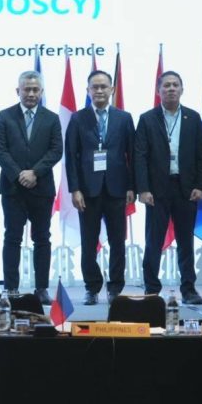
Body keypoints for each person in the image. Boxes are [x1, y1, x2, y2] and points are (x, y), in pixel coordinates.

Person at [134, 71, 202, 304]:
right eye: (166, 85)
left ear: (182, 90)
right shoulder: (147, 119)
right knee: (153, 241)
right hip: (156, 191)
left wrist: (201, 186)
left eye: (176, 85)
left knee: (186, 241)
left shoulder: (193, 117)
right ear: (159, 91)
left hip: (186, 189)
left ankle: (189, 289)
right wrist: (143, 189)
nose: (171, 89)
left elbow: (201, 155)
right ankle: (151, 289)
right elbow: (139, 157)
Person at [65, 70, 136, 305]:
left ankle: (115, 287)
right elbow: (71, 156)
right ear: (88, 91)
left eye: (103, 86)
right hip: (88, 191)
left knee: (118, 241)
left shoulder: (124, 118)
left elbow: (133, 155)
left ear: (111, 89)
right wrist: (75, 189)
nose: (99, 91)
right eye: (94, 87)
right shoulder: (78, 118)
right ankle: (91, 287)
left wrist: (132, 187)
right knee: (88, 242)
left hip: (117, 189)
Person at [0, 71, 63, 303]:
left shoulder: (51, 118)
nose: (31, 94)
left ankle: (41, 288)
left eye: (35, 90)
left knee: (42, 238)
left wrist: (34, 172)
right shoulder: (5, 116)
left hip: (41, 188)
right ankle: (11, 287)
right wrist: (19, 174)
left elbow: (56, 150)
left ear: (41, 92)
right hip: (13, 189)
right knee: (12, 238)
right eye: (26, 89)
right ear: (18, 91)